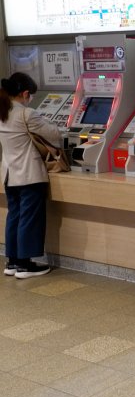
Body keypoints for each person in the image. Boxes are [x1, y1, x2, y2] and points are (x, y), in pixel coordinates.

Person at [0, 72, 63, 278]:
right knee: (29, 218)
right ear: (25, 93)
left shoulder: (3, 111)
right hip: (28, 174)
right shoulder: (26, 114)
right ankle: (26, 265)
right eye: (31, 95)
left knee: (15, 216)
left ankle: (13, 262)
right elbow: (54, 134)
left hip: (10, 174)